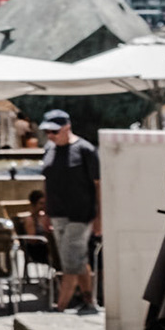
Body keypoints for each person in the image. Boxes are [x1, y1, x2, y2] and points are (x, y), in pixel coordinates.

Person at [39, 109, 101, 315]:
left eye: (55, 131)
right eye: (47, 132)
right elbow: (47, 183)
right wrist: (45, 211)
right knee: (78, 259)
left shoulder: (85, 150)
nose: (50, 135)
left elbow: (98, 185)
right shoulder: (49, 149)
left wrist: (100, 217)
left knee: (70, 263)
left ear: (67, 128)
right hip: (57, 213)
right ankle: (89, 301)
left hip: (80, 214)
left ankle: (60, 308)